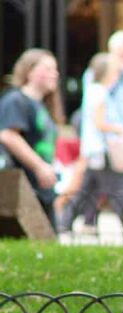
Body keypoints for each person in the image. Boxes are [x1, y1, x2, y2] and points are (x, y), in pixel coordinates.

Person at [61, 52, 123, 235]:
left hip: (95, 150)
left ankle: (65, 222)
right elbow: (99, 123)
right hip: (101, 148)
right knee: (117, 187)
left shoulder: (95, 90)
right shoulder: (99, 92)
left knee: (88, 188)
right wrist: (119, 129)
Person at [0, 49, 63, 224]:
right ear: (29, 71)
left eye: (55, 69)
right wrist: (39, 166)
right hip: (23, 188)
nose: (54, 74)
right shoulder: (16, 100)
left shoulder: (42, 105)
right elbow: (8, 135)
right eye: (47, 68)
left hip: (41, 189)